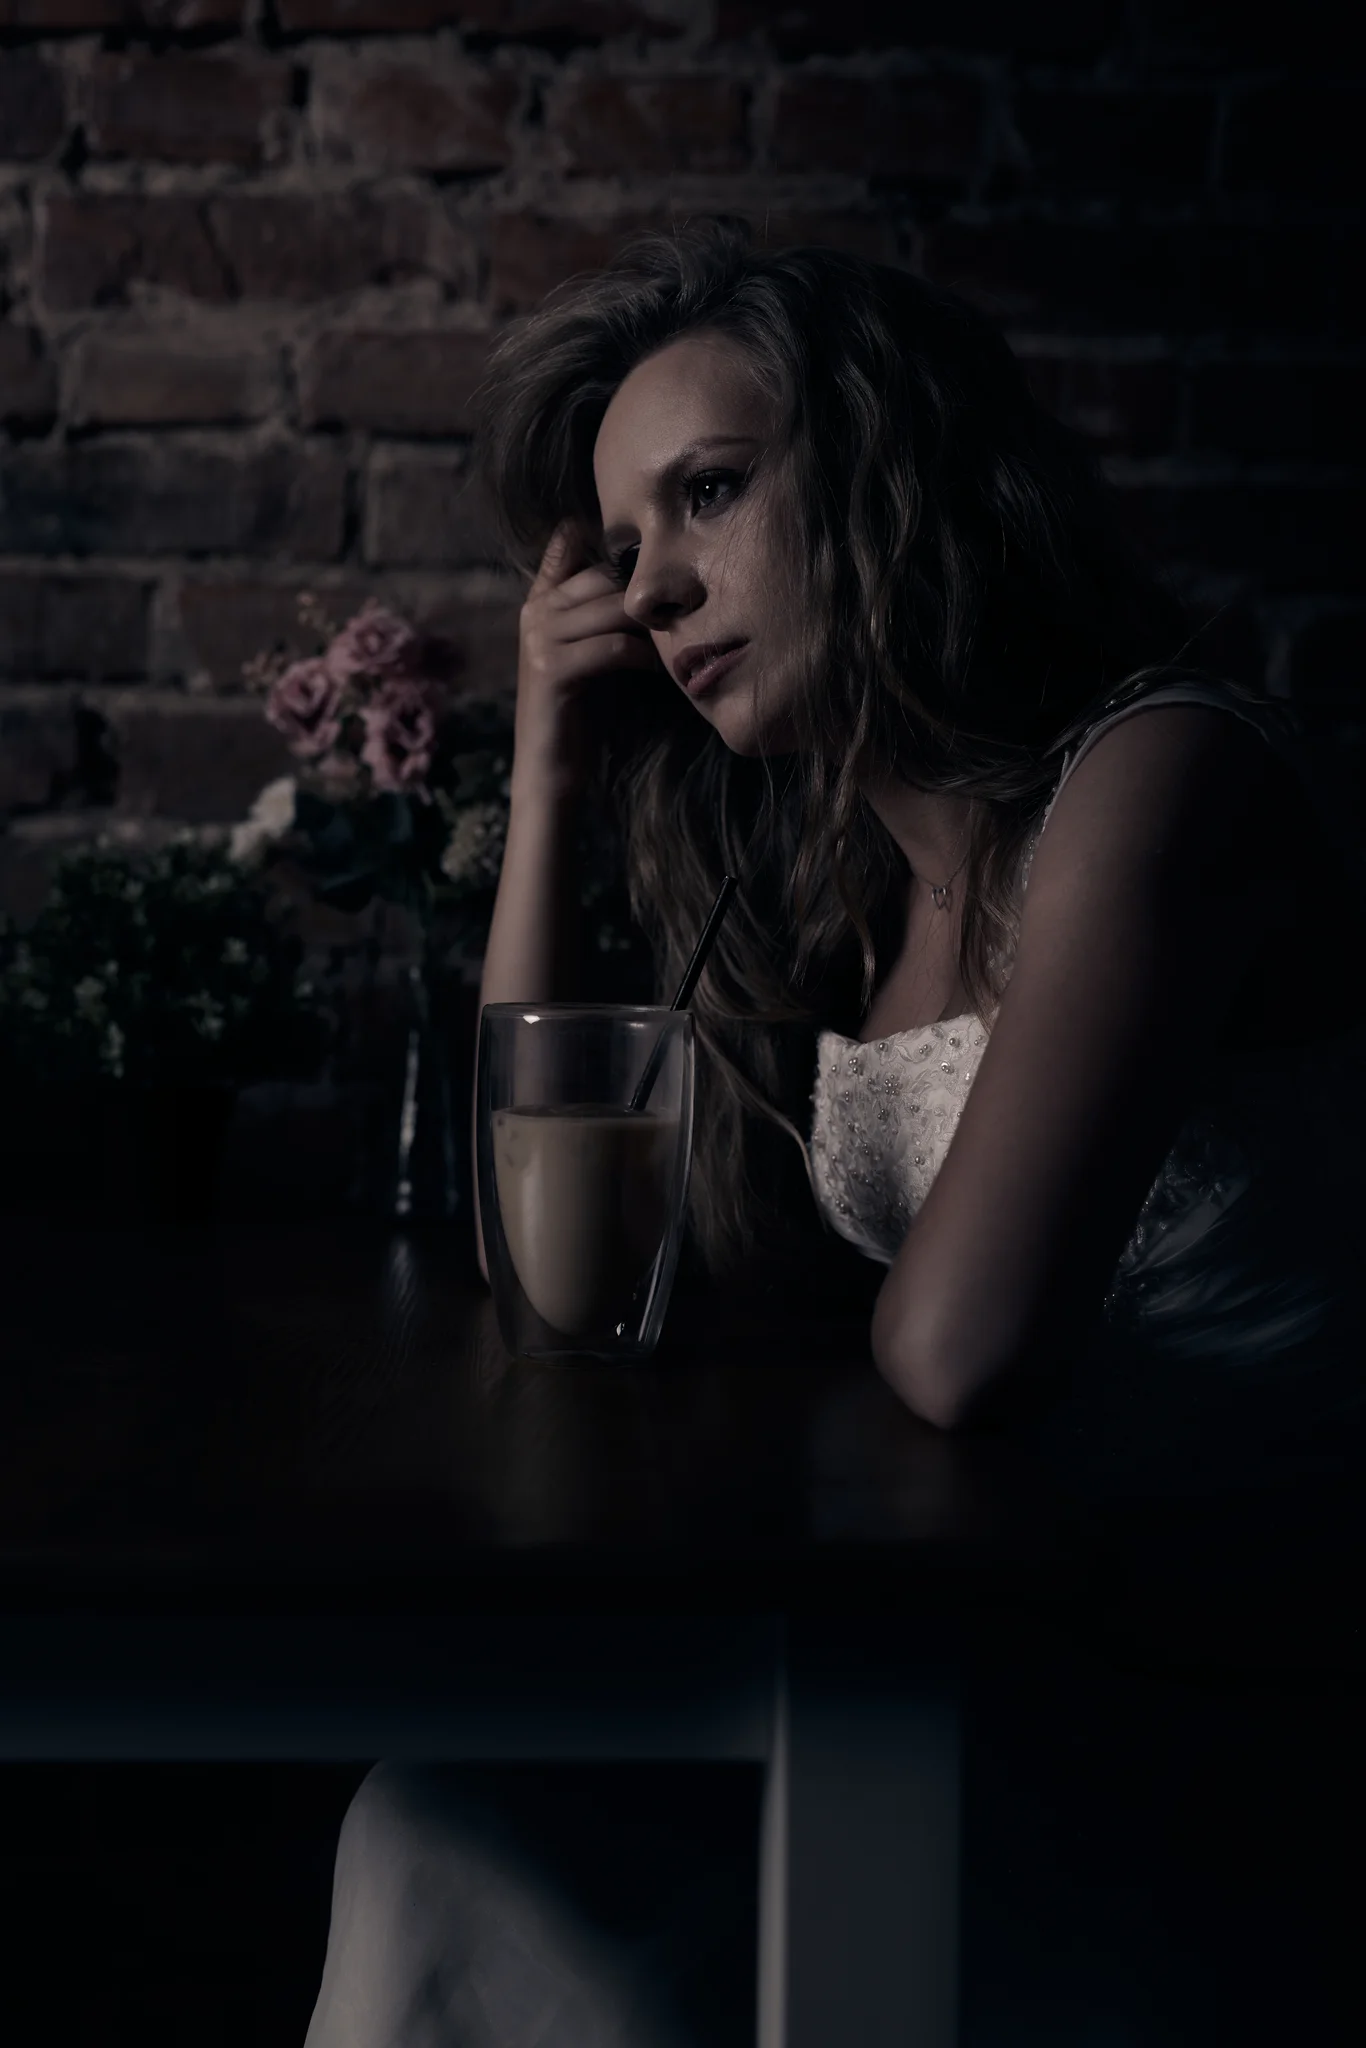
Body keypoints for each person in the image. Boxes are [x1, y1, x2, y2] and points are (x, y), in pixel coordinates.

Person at [306, 218, 1366, 2046]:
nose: (646, 588)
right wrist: (553, 763)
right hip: (966, 1660)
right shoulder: (861, 894)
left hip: (1220, 1709)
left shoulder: (1160, 773)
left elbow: (956, 1352)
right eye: (622, 546)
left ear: (888, 473)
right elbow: (538, 1251)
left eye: (707, 494)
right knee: (432, 1821)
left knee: (490, 1842)